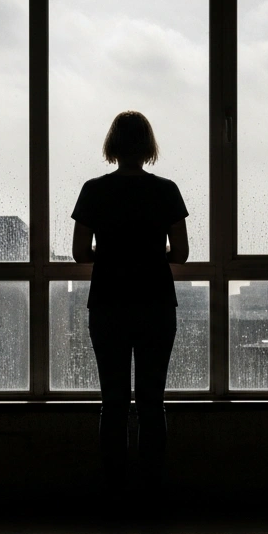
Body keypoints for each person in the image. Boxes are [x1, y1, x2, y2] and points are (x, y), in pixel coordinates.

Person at [72, 111, 190, 494]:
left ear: (113, 146)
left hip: (108, 302)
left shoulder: (93, 190)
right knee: (153, 402)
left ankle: (115, 492)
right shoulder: (166, 190)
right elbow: (182, 254)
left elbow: (79, 253)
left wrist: (112, 253)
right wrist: (149, 253)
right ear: (147, 146)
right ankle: (152, 491)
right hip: (155, 301)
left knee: (114, 401)